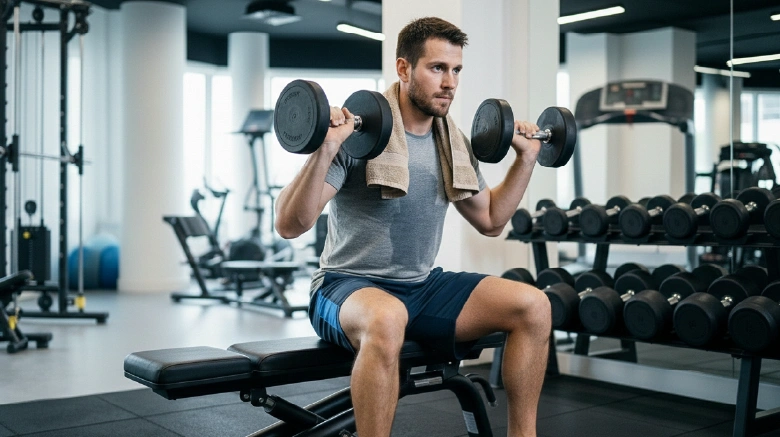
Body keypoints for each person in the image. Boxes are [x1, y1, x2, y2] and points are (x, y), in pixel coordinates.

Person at [276, 16, 551, 437]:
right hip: (344, 286)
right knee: (387, 317)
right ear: (404, 69)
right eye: (437, 68)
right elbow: (289, 225)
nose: (450, 82)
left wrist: (526, 159)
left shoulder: (454, 143)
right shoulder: (359, 135)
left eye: (456, 70)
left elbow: (492, 220)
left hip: (421, 287)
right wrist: (326, 147)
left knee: (534, 305)